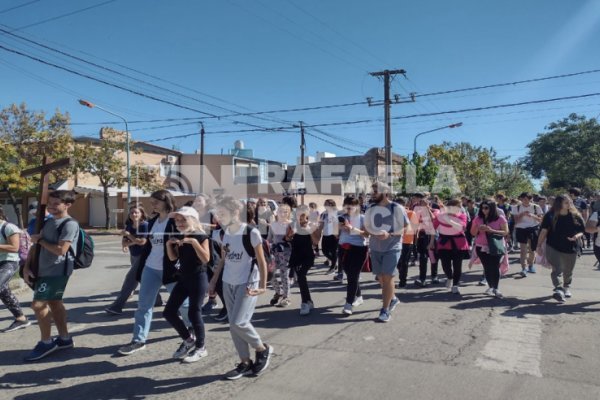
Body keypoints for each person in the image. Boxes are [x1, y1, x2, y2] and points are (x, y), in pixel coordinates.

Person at [118, 190, 189, 356]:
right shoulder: (152, 221)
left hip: (171, 270)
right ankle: (138, 340)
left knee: (184, 305)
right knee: (143, 306)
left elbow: (183, 243)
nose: (153, 205)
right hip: (150, 268)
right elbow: (148, 245)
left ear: (166, 201)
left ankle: (193, 333)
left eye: (155, 202)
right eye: (152, 202)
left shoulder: (175, 220)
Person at [209, 196, 272, 380]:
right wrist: (213, 280)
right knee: (233, 325)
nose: (218, 218)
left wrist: (262, 286)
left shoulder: (251, 232)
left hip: (248, 282)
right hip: (228, 281)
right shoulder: (224, 233)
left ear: (235, 212)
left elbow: (261, 261)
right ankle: (245, 362)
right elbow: (223, 259)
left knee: (239, 322)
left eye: (222, 213)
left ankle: (262, 348)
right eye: (217, 214)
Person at [23, 190, 79, 361]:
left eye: (56, 204)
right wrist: (26, 267)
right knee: (55, 303)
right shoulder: (49, 222)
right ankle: (64, 339)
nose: (52, 207)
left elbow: (61, 250)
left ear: (67, 205)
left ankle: (46, 342)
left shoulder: (69, 224)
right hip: (44, 269)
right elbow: (35, 246)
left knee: (38, 305)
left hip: (56, 271)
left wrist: (39, 240)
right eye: (50, 203)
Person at [164, 207, 211, 363]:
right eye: (177, 220)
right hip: (183, 278)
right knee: (169, 312)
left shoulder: (201, 236)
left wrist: (193, 242)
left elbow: (206, 259)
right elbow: (173, 259)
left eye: (183, 219)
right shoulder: (180, 235)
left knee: (194, 312)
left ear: (192, 220)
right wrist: (168, 245)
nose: (179, 223)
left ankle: (201, 347)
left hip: (198, 277)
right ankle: (188, 340)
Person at [364, 182, 407, 322]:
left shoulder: (397, 208)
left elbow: (405, 228)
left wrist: (390, 234)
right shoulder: (371, 207)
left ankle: (385, 310)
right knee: (380, 278)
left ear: (385, 192)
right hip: (375, 247)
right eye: (372, 191)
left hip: (392, 247)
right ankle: (392, 298)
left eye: (375, 191)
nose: (372, 194)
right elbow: (367, 227)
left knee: (388, 277)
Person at [537, 195, 585, 303]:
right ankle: (558, 290)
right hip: (553, 246)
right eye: (566, 202)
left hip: (571, 247)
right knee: (556, 269)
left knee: (568, 271)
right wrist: (539, 246)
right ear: (559, 204)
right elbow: (544, 231)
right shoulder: (550, 215)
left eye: (570, 202)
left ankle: (566, 287)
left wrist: (576, 237)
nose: (569, 204)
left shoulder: (576, 216)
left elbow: (582, 230)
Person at [105, 205, 151, 315]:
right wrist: (125, 244)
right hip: (134, 255)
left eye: (136, 212)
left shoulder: (145, 225)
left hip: (144, 255)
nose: (134, 215)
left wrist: (130, 237)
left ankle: (117, 307)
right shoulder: (129, 225)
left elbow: (142, 242)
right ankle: (157, 300)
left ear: (142, 214)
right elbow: (125, 240)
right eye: (131, 213)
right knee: (143, 279)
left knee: (130, 280)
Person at [0, 206, 31, 333]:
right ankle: (21, 318)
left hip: (9, 262)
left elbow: (14, 247)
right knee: (3, 290)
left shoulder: (9, 227)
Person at [470, 200, 509, 298]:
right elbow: (472, 233)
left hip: (496, 246)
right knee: (487, 267)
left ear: (492, 208)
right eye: (482, 208)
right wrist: (478, 229)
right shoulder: (478, 219)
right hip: (481, 246)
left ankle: (496, 288)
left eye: (486, 208)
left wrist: (491, 230)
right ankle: (491, 287)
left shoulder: (500, 218)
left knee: (495, 267)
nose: (484, 210)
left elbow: (505, 232)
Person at [338, 196, 368, 315]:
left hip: (358, 249)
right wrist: (339, 227)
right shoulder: (341, 218)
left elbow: (367, 234)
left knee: (353, 276)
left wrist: (353, 229)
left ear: (357, 206)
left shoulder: (362, 218)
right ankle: (359, 296)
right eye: (347, 205)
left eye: (352, 205)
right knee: (350, 275)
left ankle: (348, 304)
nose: (349, 207)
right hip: (343, 248)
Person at [434, 199, 470, 295]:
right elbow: (433, 227)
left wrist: (448, 221)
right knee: (445, 265)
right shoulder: (440, 216)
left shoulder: (462, 216)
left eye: (459, 207)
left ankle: (455, 285)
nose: (458, 209)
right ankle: (449, 277)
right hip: (444, 243)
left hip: (459, 244)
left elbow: (461, 227)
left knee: (457, 265)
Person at [288, 205, 318, 316]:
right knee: (301, 279)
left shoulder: (312, 225)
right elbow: (287, 238)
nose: (300, 216)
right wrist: (291, 234)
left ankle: (304, 303)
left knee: (301, 276)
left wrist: (309, 231)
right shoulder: (293, 225)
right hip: (296, 255)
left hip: (307, 256)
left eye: (302, 214)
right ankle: (308, 301)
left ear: (307, 215)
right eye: (298, 214)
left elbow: (315, 242)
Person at [267, 204, 293, 307]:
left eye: (285, 212)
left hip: (286, 252)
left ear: (288, 213)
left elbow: (293, 239)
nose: (282, 213)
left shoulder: (290, 224)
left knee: (284, 273)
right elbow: (269, 239)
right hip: (274, 252)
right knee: (270, 273)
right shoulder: (273, 225)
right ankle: (278, 291)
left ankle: (286, 296)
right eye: (280, 211)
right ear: (277, 213)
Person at [512, 192, 543, 276]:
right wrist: (522, 214)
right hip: (521, 229)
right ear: (521, 199)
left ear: (530, 199)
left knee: (532, 249)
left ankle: (531, 265)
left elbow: (541, 220)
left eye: (527, 199)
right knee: (523, 250)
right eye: (523, 199)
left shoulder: (536, 207)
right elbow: (516, 221)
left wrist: (532, 216)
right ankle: (523, 268)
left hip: (533, 229)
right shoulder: (516, 207)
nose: (525, 201)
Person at [318, 199, 339, 274]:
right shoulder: (323, 214)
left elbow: (338, 224)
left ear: (331, 205)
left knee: (334, 252)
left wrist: (337, 234)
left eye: (326, 204)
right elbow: (321, 225)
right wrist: (319, 234)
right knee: (324, 251)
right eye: (324, 204)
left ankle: (333, 267)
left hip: (334, 235)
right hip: (325, 234)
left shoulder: (337, 213)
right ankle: (334, 262)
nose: (325, 205)